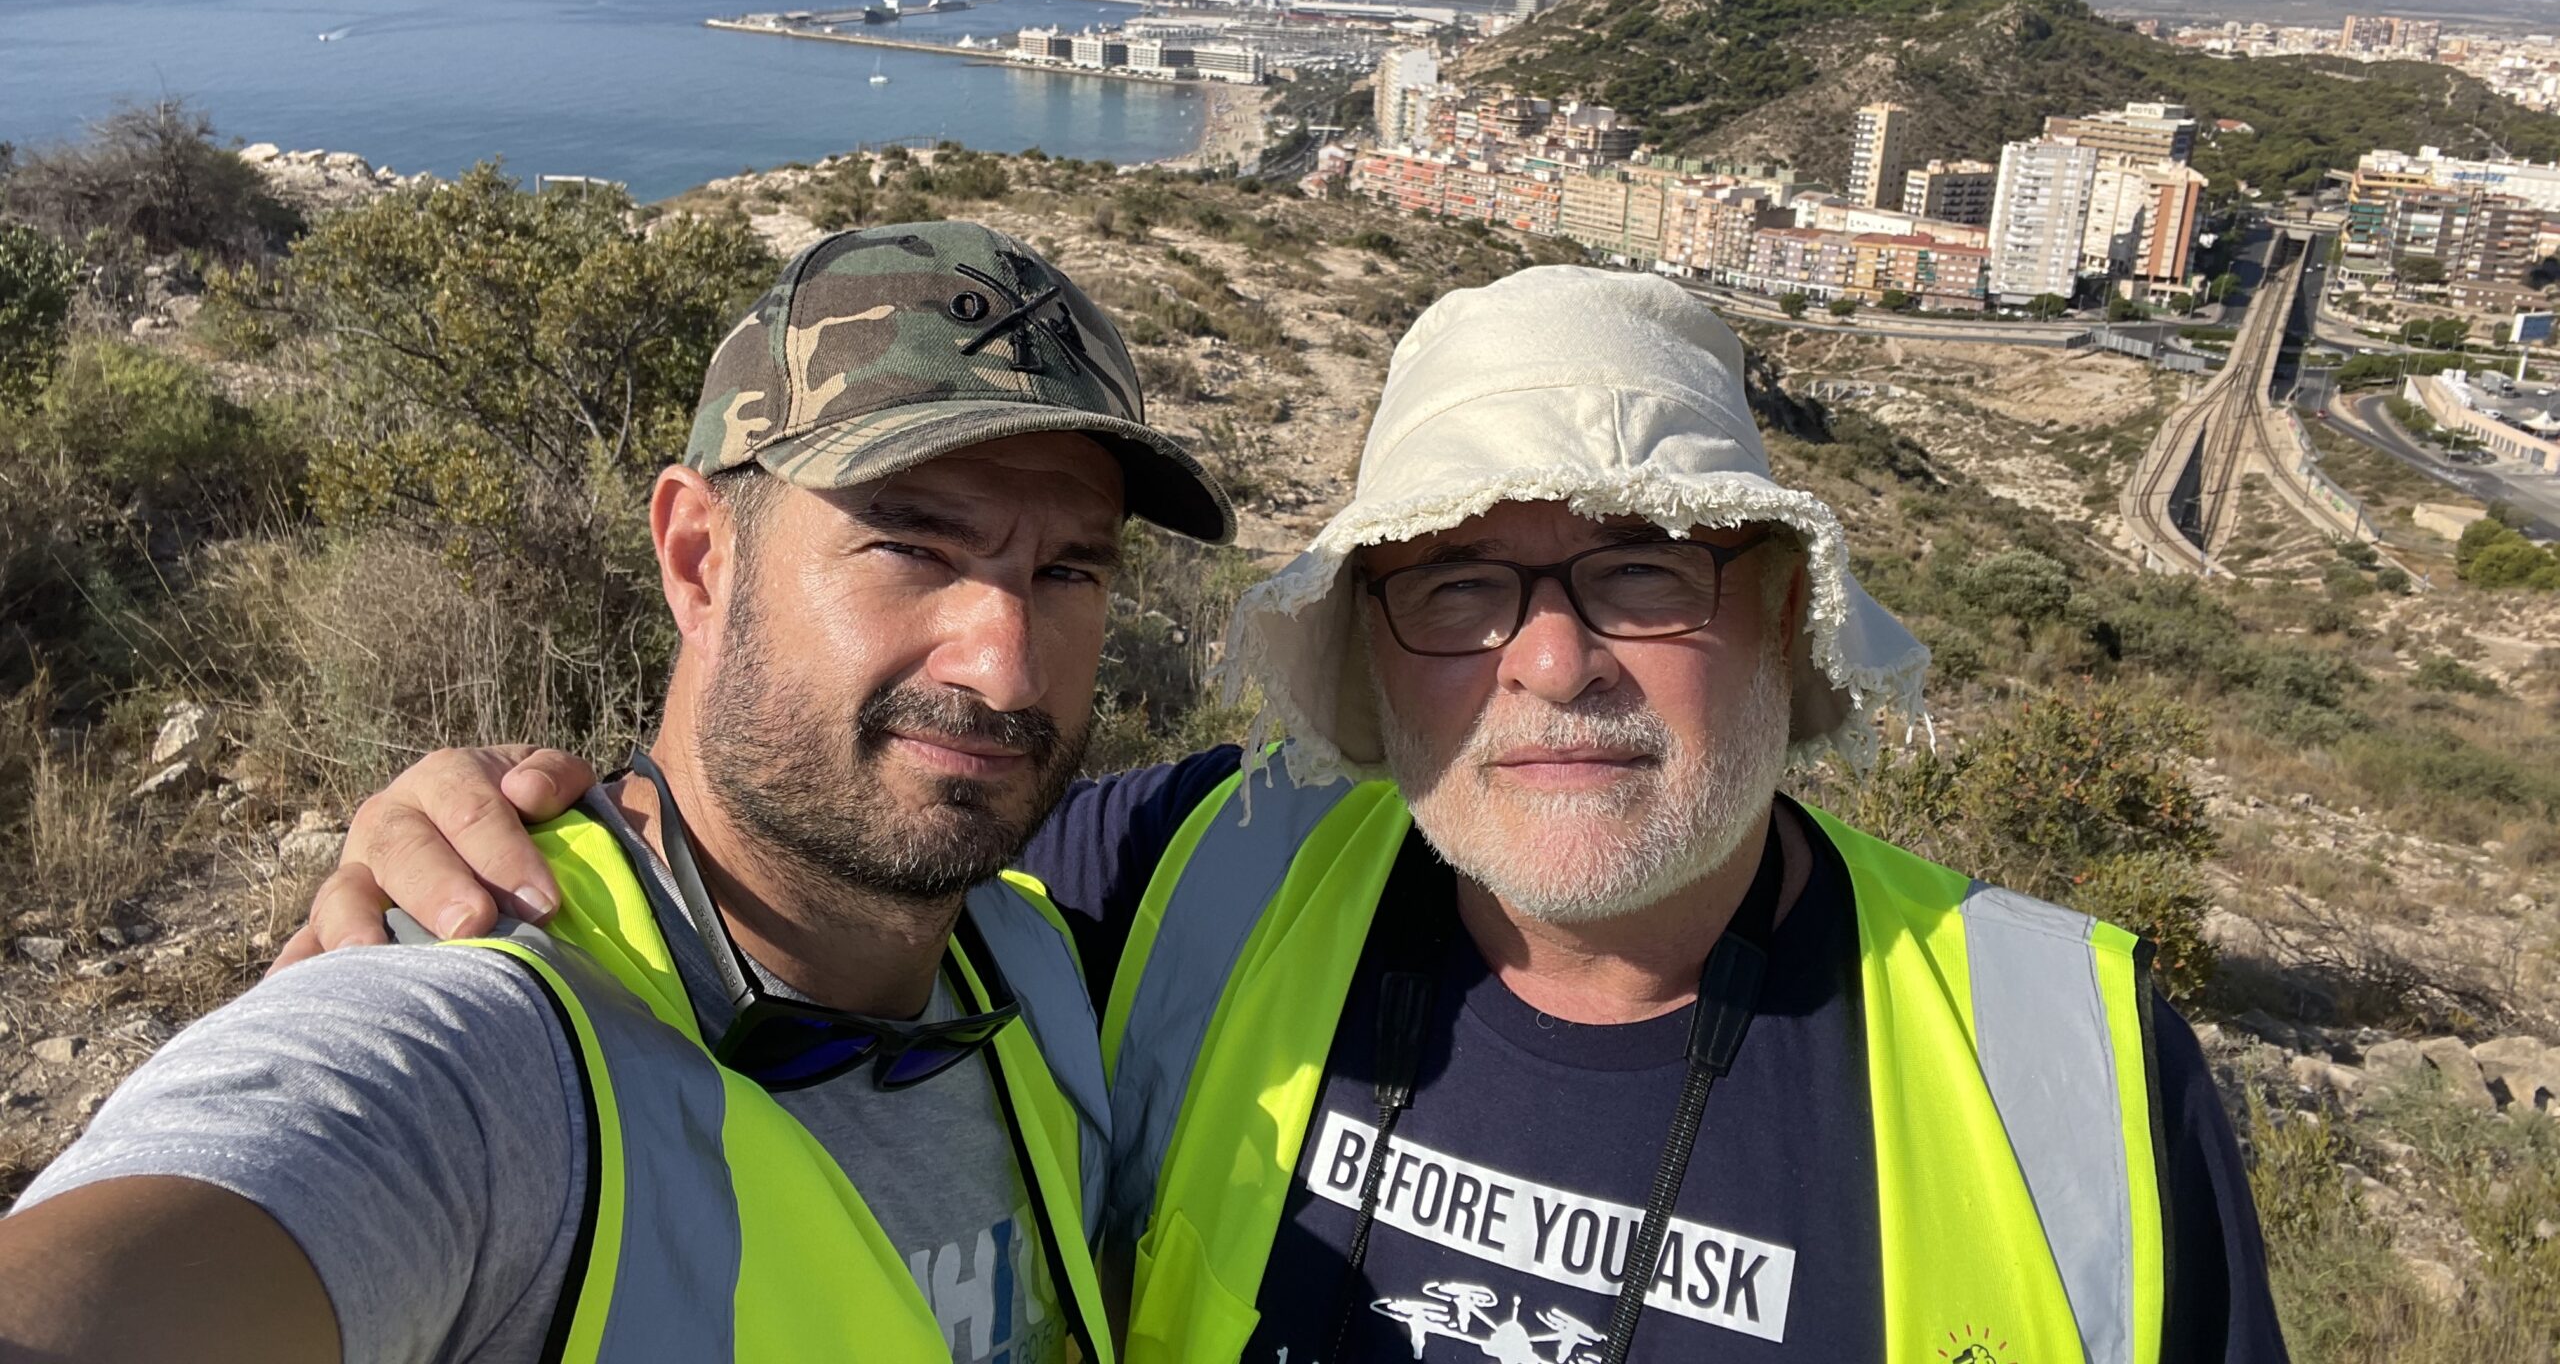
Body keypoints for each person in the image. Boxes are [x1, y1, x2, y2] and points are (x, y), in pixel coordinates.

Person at [279, 267, 2289, 1362]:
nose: (1551, 662)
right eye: (1460, 586)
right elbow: (840, 843)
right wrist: (498, 839)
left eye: (1644, 574)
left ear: (1775, 613)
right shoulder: (1183, 877)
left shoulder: (2070, 1076)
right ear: (1375, 650)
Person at [0, 220, 1234, 1364]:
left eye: (1068, 572)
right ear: (699, 559)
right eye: (913, 546)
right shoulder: (484, 1047)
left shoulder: (1033, 967)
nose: (1007, 667)